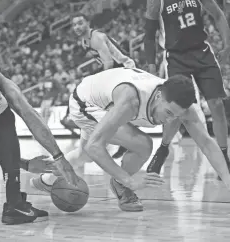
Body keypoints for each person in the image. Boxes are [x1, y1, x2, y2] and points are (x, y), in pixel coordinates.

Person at [30, 67, 230, 212]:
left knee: (83, 155)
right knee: (143, 145)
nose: (170, 120)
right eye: (168, 112)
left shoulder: (183, 108)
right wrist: (130, 180)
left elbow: (206, 143)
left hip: (103, 95)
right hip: (85, 103)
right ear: (159, 96)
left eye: (176, 116)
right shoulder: (130, 101)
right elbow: (95, 146)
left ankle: (45, 180)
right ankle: (121, 185)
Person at [0, 60, 79, 225]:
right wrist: (59, 157)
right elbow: (28, 113)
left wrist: (26, 165)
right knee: (4, 119)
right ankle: (15, 204)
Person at [143, 0, 230, 178]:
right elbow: (149, 34)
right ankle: (163, 149)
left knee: (217, 105)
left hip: (202, 53)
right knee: (178, 107)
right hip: (176, 57)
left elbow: (219, 15)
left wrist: (228, 45)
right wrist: (151, 65)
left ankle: (223, 157)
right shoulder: (156, 2)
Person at [72, 12, 135, 158]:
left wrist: (101, 82)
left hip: (125, 67)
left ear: (88, 22)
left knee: (113, 107)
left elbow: (109, 62)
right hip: (114, 69)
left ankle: (121, 141)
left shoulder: (96, 37)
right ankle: (121, 142)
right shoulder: (84, 41)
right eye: (74, 24)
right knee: (110, 109)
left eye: (80, 23)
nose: (77, 27)